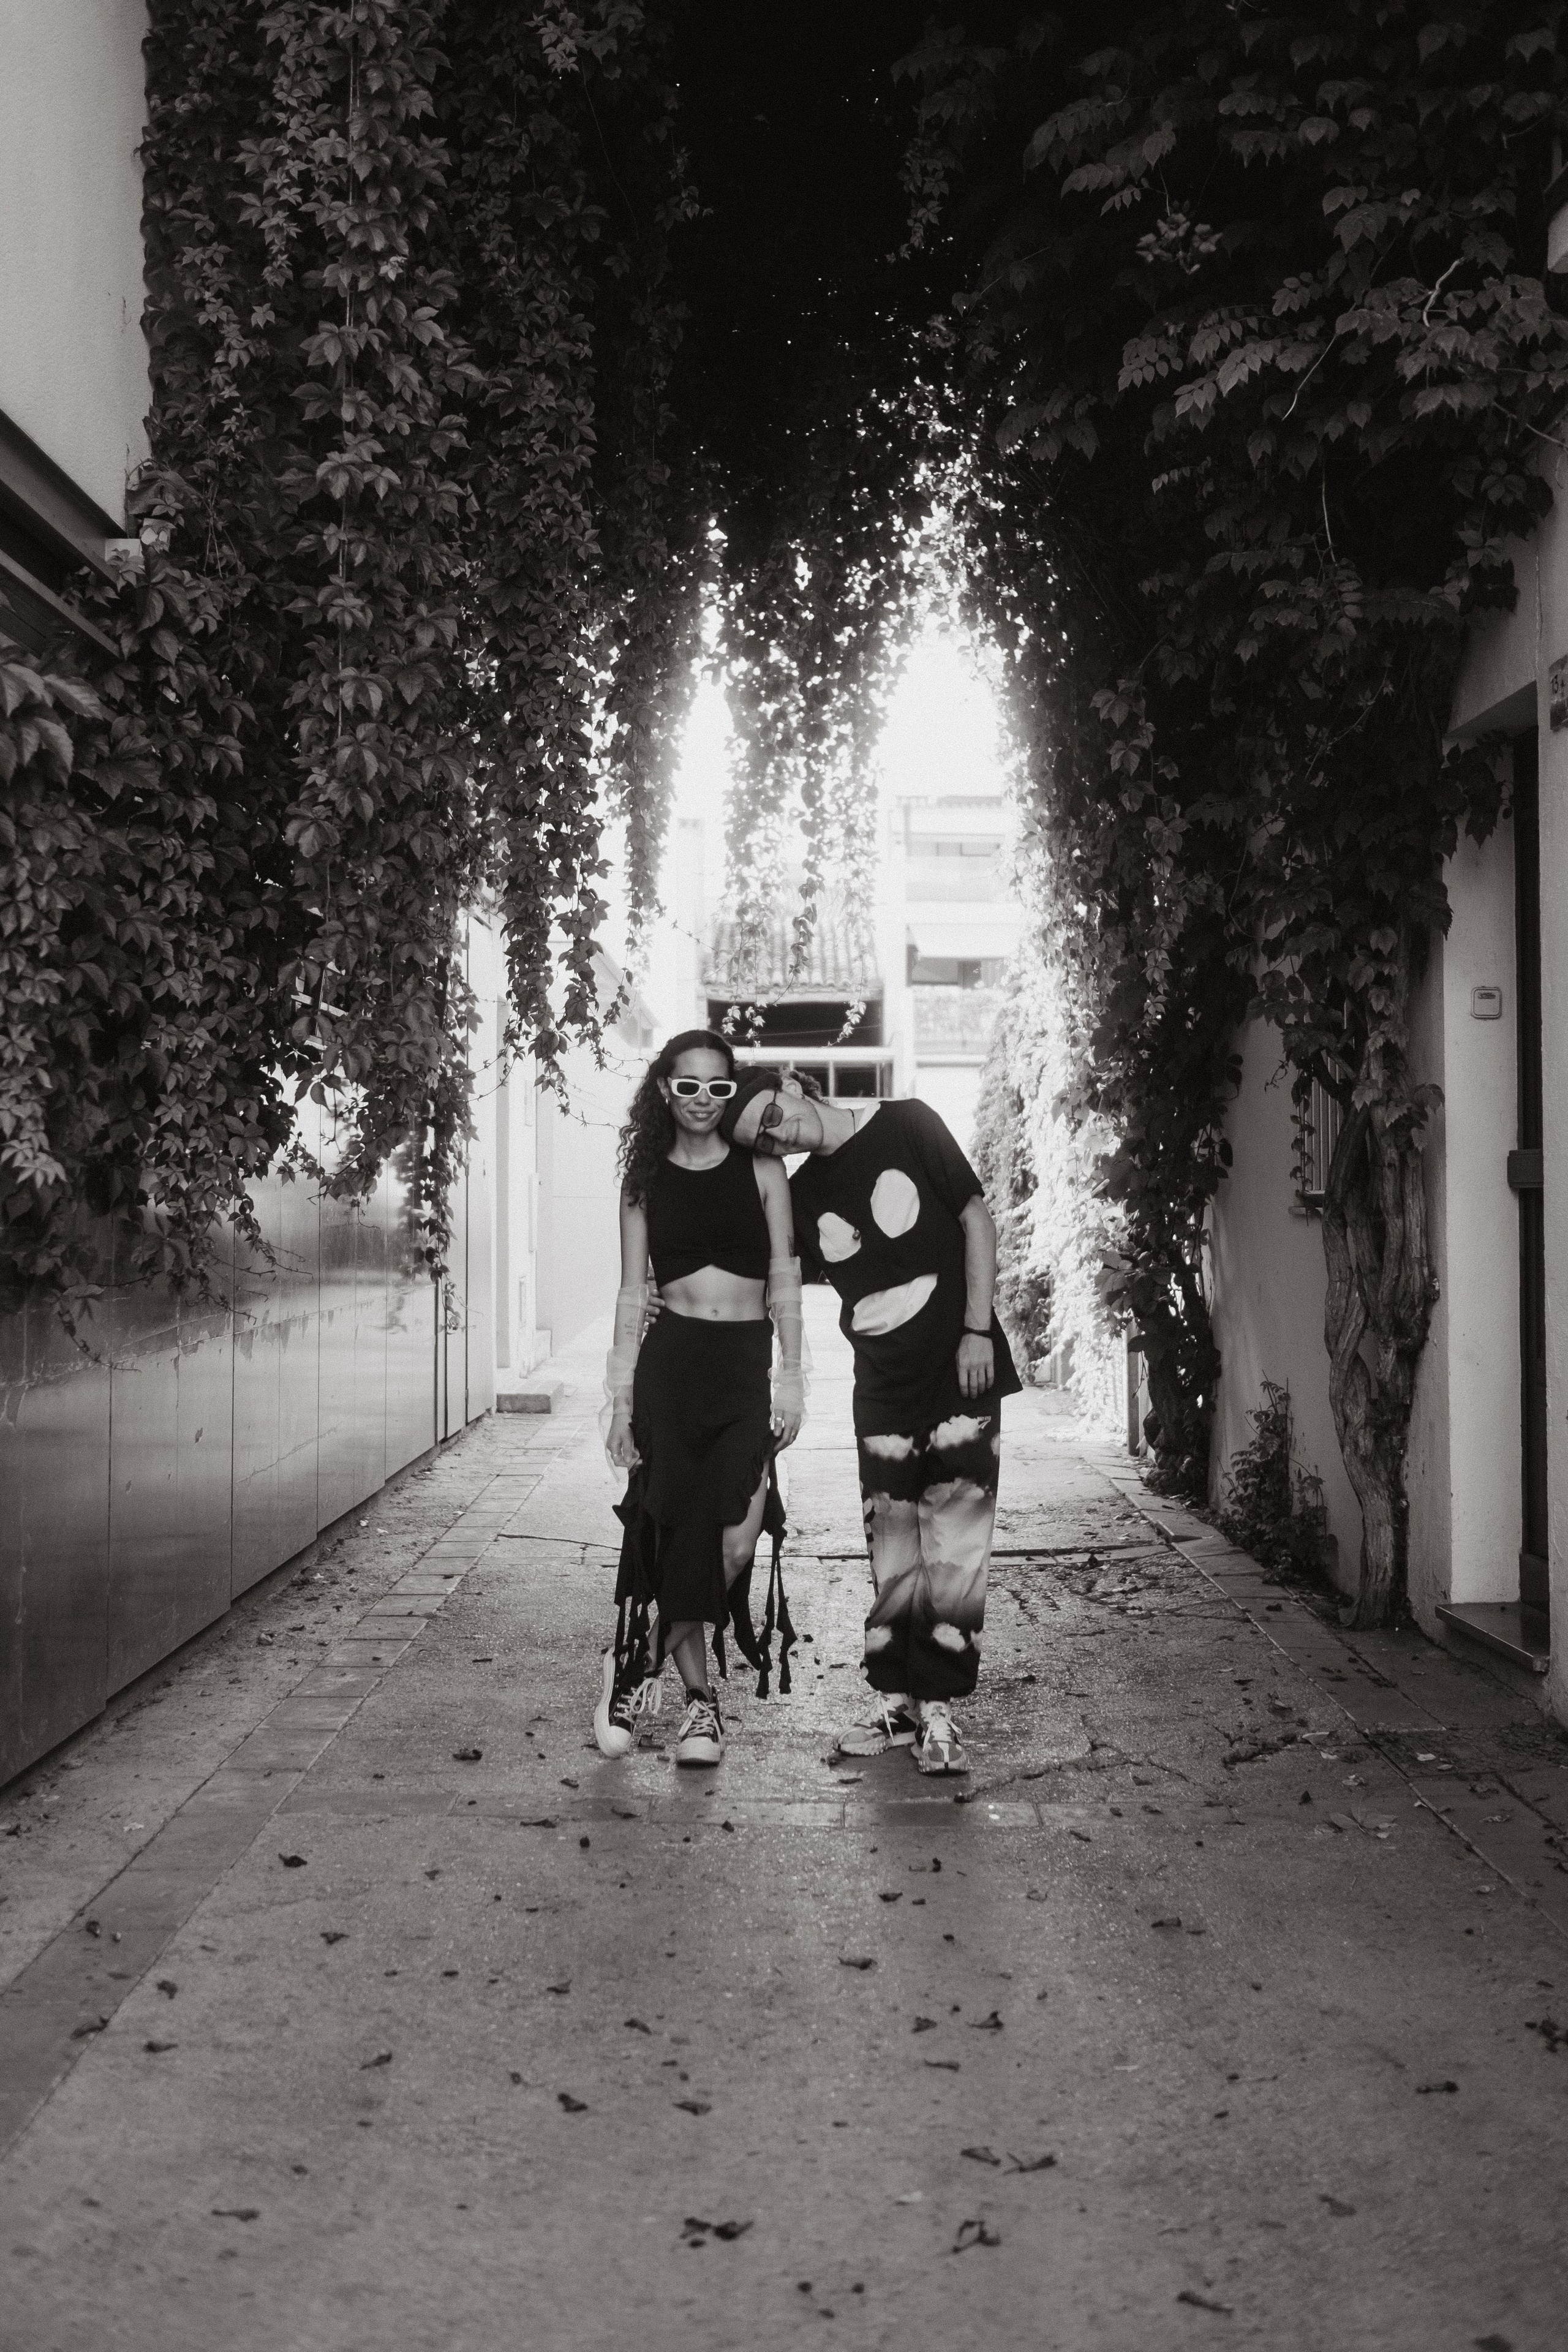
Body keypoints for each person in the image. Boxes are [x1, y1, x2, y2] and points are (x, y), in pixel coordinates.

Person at [720, 1070, 1019, 1774]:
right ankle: (898, 1707)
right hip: (881, 1390)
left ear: (792, 1085)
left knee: (954, 1546)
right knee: (892, 1547)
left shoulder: (910, 1121)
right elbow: (763, 1275)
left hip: (960, 1371)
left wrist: (977, 1329)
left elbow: (975, 1218)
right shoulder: (798, 1199)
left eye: (769, 1114)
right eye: (759, 1139)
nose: (775, 1133)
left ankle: (940, 1715)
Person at [595, 1031, 804, 1768]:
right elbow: (630, 1293)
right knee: (680, 1530)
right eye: (687, 1086)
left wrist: (793, 1377)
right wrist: (619, 1403)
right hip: (670, 1366)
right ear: (663, 1090)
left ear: (732, 1093)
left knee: (737, 1538)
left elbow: (784, 1275)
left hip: (743, 1367)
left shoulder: (763, 1169)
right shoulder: (643, 1179)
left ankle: (635, 1667)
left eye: (719, 1088)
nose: (702, 1102)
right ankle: (699, 1710)